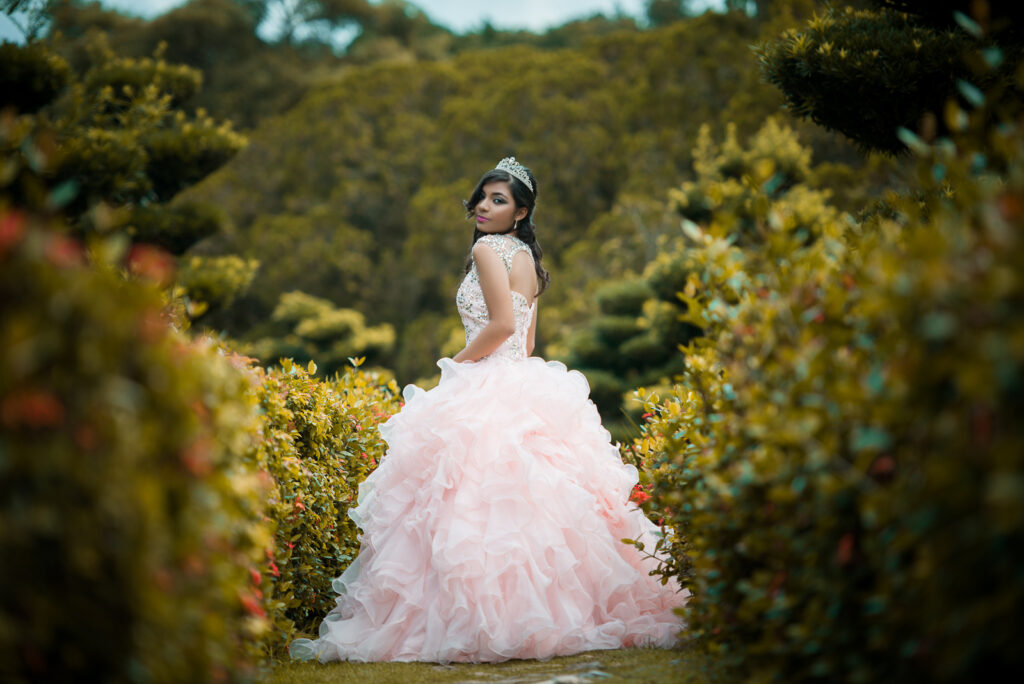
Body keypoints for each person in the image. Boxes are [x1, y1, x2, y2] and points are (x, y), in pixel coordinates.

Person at [289, 157, 684, 664]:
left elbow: (498, 327)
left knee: (472, 505)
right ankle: (546, 615)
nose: (483, 206)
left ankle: (482, 619)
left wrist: (453, 368)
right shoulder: (528, 258)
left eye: (498, 200)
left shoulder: (485, 250)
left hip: (488, 379)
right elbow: (528, 337)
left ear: (520, 212)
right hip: (523, 378)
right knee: (532, 509)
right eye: (482, 197)